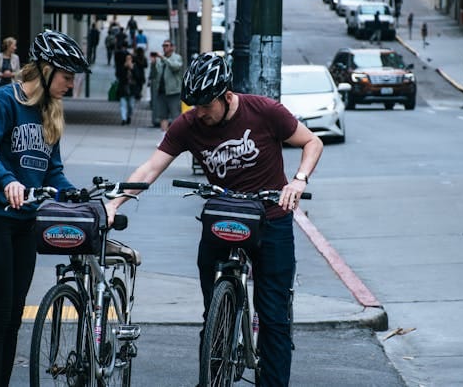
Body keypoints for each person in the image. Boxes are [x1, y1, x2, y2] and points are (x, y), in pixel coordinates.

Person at [104, 53, 323, 386]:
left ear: (227, 95)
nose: (200, 112)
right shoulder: (189, 125)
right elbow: (150, 168)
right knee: (214, 315)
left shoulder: (264, 111)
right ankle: (213, 373)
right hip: (224, 217)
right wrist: (114, 204)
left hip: (271, 218)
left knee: (273, 316)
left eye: (207, 104)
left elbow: (312, 141)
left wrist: (298, 180)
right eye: (195, 104)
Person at [0, 29, 89, 387]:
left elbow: (53, 171)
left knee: (15, 317)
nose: (70, 85)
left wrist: (73, 194)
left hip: (25, 223)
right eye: (67, 77)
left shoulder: (51, 113)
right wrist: (8, 181)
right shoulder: (5, 101)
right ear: (47, 69)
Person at [152, 39, 184, 135]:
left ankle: (174, 137)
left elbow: (175, 67)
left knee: (175, 116)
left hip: (173, 92)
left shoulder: (177, 58)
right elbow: (154, 74)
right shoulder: (160, 60)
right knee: (163, 116)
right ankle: (163, 138)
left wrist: (163, 58)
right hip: (161, 92)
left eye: (166, 45)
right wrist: (153, 64)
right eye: (163, 46)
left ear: (172, 47)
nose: (164, 48)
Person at [116, 52, 143, 125]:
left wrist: (132, 69)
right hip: (123, 88)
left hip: (132, 89)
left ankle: (129, 116)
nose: (128, 60)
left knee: (131, 105)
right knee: (123, 104)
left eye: (130, 59)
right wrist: (124, 68)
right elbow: (119, 76)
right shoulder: (122, 67)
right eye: (127, 59)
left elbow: (138, 77)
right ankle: (123, 119)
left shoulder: (135, 67)